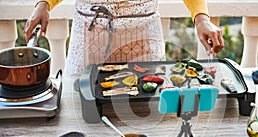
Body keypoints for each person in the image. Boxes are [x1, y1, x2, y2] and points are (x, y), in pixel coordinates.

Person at [24, 0, 224, 74]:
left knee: (144, 108)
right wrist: (44, 3)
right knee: (82, 110)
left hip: (144, 34)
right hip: (90, 31)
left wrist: (201, 18)